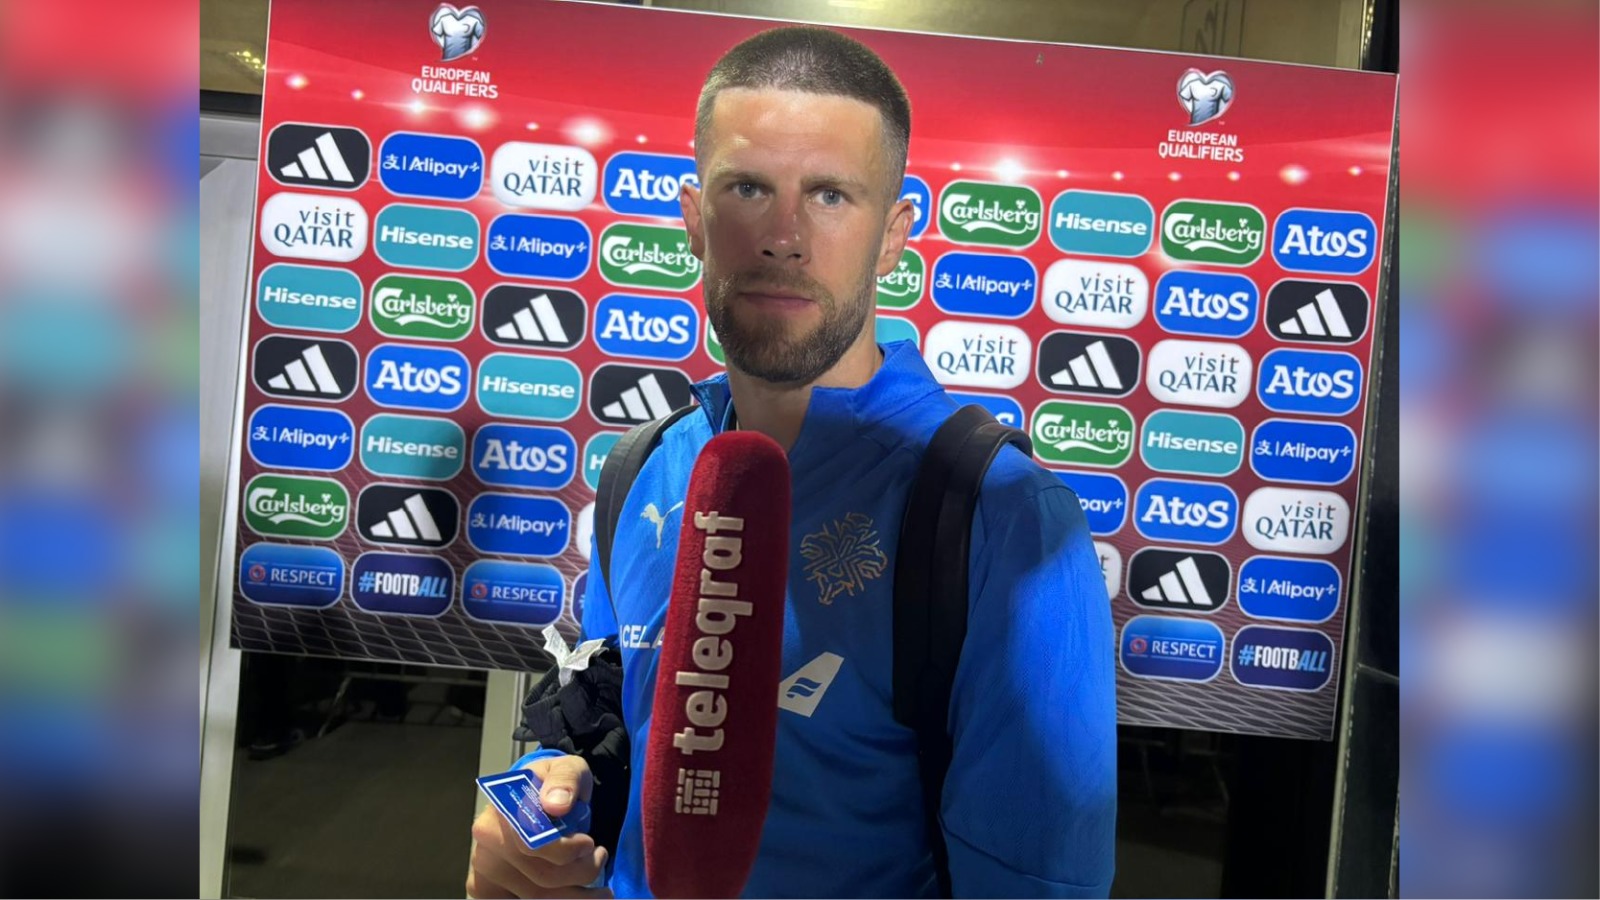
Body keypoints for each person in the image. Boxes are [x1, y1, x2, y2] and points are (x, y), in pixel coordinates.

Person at [467, 24, 1116, 899]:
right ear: (694, 219)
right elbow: (603, 716)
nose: (783, 237)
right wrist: (540, 811)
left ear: (894, 236)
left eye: (830, 196)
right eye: (748, 188)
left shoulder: (1003, 517)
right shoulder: (642, 466)